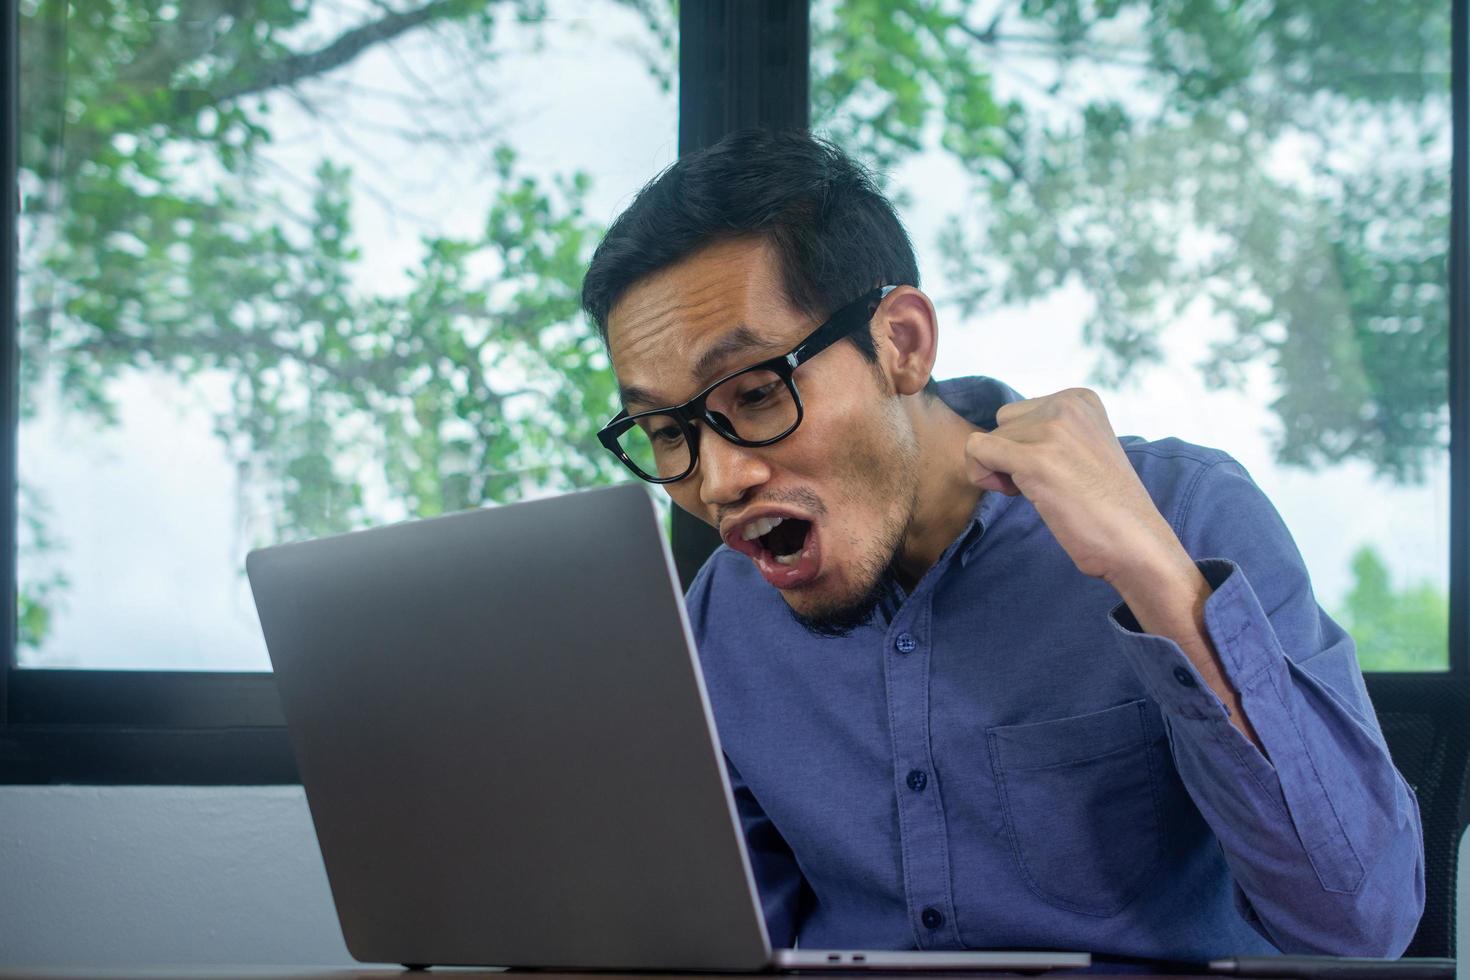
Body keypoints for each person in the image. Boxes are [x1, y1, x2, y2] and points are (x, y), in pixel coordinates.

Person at [578, 128, 1424, 961]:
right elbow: (707, 942)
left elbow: (1360, 923)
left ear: (900, 343)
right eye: (662, 431)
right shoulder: (727, 611)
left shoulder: (1185, 512)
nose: (718, 481)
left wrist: (1154, 576)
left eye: (757, 393)